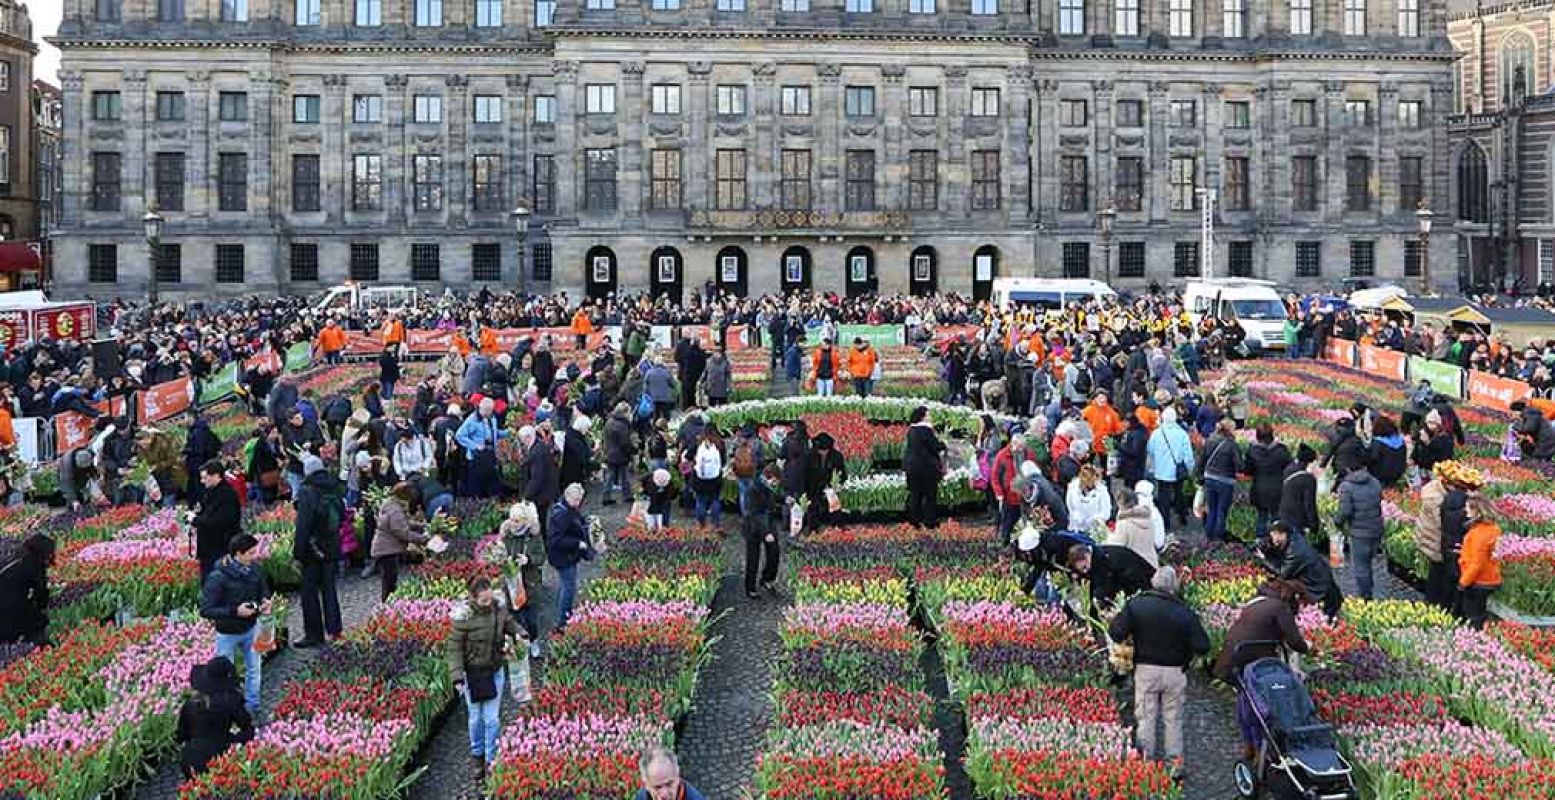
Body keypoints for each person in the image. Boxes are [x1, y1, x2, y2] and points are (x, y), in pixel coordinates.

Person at [1107, 566, 1208, 779]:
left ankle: (1146, 764)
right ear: (1174, 586)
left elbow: (1116, 632)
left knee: (1146, 718)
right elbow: (1202, 646)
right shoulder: (1185, 612)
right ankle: (1175, 767)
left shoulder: (1136, 605)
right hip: (1175, 672)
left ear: (1153, 582)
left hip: (1146, 671)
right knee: (1173, 720)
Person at [1213, 579, 1311, 761]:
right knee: (1258, 704)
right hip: (1250, 657)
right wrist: (1309, 648)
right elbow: (1295, 641)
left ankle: (1249, 745)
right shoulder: (1280, 607)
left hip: (1233, 657)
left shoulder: (1260, 602)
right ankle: (1259, 748)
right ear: (1294, 597)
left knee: (1246, 697)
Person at [446, 576, 524, 775]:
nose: (488, 603)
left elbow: (509, 623)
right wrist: (457, 677)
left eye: (489, 599)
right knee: (475, 719)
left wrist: (520, 634)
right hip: (472, 675)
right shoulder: (463, 618)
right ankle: (477, 755)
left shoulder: (499, 609)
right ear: (473, 598)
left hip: (494, 671)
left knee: (492, 720)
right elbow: (454, 649)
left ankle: (490, 760)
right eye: (483, 601)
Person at [199, 534, 271, 714]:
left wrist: (265, 601)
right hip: (227, 632)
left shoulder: (255, 569)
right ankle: (228, 711)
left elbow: (264, 588)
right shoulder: (217, 577)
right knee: (225, 674)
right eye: (251, 553)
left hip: (252, 627)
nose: (254, 557)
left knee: (254, 669)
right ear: (238, 554)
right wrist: (235, 611)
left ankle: (251, 707)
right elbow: (206, 609)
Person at [292, 454, 342, 647]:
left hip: (313, 549)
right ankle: (335, 629)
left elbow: (303, 525)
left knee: (309, 592)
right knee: (330, 590)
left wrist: (298, 553)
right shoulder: (334, 486)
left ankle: (314, 634)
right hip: (332, 545)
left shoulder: (307, 490)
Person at [176, 656, 254, 778]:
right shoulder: (230, 701)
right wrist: (233, 738)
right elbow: (246, 726)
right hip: (218, 757)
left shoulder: (190, 704)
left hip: (190, 759)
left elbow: (181, 736)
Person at [374, 481, 432, 601]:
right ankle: (387, 607)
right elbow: (402, 533)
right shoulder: (395, 510)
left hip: (383, 549)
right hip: (387, 551)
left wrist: (420, 525)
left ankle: (388, 606)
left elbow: (402, 523)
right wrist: (423, 539)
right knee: (389, 583)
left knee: (388, 581)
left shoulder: (391, 505)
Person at [500, 502, 546, 654]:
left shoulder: (533, 536)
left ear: (525, 521)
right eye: (511, 519)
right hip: (512, 584)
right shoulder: (506, 535)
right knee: (516, 617)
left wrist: (528, 560)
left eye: (517, 520)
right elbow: (500, 553)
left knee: (531, 616)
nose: (513, 523)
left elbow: (541, 557)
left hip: (529, 583)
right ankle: (519, 644)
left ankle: (533, 640)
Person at [1333, 463, 1384, 600]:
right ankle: (1368, 586)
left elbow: (1345, 511)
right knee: (1368, 562)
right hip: (1376, 529)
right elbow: (1380, 500)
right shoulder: (1374, 481)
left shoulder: (1346, 487)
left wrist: (1336, 522)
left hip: (1359, 532)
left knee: (1360, 566)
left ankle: (1365, 597)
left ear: (1348, 469)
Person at [547, 483, 592, 634]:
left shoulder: (567, 508)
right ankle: (563, 622)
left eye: (580, 499)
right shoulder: (562, 514)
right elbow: (555, 540)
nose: (578, 503)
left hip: (563, 556)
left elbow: (576, 520)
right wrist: (577, 543)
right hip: (564, 557)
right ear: (567, 496)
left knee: (564, 585)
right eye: (575, 500)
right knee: (569, 587)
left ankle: (561, 612)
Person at [1146, 408, 1194, 535]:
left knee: (1163, 497)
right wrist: (1189, 468)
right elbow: (1188, 454)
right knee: (1179, 494)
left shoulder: (1157, 433)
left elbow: (1150, 450)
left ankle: (1165, 521)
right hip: (1178, 471)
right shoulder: (1182, 434)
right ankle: (1182, 517)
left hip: (1161, 470)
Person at [191, 460, 242, 581]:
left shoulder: (227, 495)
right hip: (209, 545)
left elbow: (220, 521)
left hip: (220, 545)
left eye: (205, 477)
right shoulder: (211, 492)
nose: (202, 481)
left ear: (216, 476)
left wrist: (196, 520)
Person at [1069, 542, 1156, 612]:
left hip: (1140, 582)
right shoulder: (1098, 557)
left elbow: (1106, 585)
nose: (1085, 571)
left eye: (1084, 567)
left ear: (1087, 556)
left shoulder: (1103, 561)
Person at [0, 533, 54, 645]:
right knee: (37, 621)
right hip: (11, 615)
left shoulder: (13, 559)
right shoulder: (34, 566)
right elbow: (41, 597)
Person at [1458, 496, 1503, 630]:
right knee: (1481, 614)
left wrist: (1463, 582)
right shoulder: (1494, 529)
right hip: (1491, 578)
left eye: (1468, 508)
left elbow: (1477, 563)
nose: (1465, 511)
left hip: (1478, 581)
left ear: (1477, 511)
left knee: (1473, 615)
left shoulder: (1478, 534)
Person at [1196, 418, 1241, 543]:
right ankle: (1218, 538)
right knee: (1222, 511)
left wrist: (1199, 477)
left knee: (1212, 509)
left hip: (1209, 478)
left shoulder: (1210, 440)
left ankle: (1208, 536)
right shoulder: (1232, 445)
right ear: (1230, 430)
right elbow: (1239, 466)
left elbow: (1201, 460)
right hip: (1225, 481)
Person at [902, 405, 946, 529]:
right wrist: (943, 444)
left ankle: (914, 520)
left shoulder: (911, 430)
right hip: (926, 468)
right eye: (928, 415)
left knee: (915, 494)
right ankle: (930, 520)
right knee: (930, 495)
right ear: (923, 417)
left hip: (911, 467)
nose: (930, 417)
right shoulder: (925, 430)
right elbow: (935, 446)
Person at [1245, 424, 1291, 541]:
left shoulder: (1253, 451)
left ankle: (1260, 542)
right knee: (1276, 517)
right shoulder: (1282, 450)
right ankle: (1278, 542)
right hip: (1278, 488)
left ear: (1258, 436)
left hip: (1260, 488)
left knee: (1262, 516)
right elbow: (1289, 467)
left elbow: (1248, 470)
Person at [456, 397, 508, 498]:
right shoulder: (472, 420)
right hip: (476, 459)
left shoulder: (492, 418)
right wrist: (475, 446)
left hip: (489, 455)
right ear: (484, 409)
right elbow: (459, 435)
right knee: (476, 488)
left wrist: (506, 433)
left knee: (492, 484)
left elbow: (493, 432)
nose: (491, 413)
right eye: (490, 411)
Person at [743, 466, 781, 599]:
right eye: (775, 482)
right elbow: (755, 514)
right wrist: (766, 532)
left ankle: (767, 578)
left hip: (768, 522)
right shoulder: (753, 489)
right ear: (768, 477)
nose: (776, 485)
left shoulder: (766, 486)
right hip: (753, 526)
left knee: (774, 552)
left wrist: (785, 499)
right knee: (753, 557)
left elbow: (773, 498)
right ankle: (750, 587)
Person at [990, 434, 1030, 546]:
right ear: (1013, 444)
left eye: (1023, 447)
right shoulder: (1002, 456)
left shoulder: (1027, 453)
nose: (1021, 449)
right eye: (1020, 447)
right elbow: (995, 476)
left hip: (1025, 495)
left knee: (1026, 522)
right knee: (1008, 522)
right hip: (1009, 497)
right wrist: (999, 493)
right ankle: (1005, 544)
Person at [1107, 487, 1159, 569]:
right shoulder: (1149, 519)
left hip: (1134, 566)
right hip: (1152, 562)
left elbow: (1116, 546)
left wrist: (1107, 537)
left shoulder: (1124, 524)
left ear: (1120, 504)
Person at [1277, 444, 1320, 541]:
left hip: (1284, 513)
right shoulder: (1308, 479)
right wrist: (1314, 525)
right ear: (1310, 462)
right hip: (1298, 519)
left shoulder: (1288, 470)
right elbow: (1309, 504)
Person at [635, 746, 709, 800]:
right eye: (657, 787)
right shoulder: (642, 796)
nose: (664, 793)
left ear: (677, 776)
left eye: (669, 784)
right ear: (647, 785)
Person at [691, 428, 725, 532]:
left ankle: (701, 523)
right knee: (715, 500)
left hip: (700, 479)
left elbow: (688, 455)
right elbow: (723, 461)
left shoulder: (698, 443)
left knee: (700, 501)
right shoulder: (719, 444)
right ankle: (716, 523)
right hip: (715, 478)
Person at [602, 402, 635, 506]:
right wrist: (632, 451)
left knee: (609, 477)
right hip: (621, 455)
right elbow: (625, 443)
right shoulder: (623, 425)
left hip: (610, 454)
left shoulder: (609, 421)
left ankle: (606, 497)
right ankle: (627, 496)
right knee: (625, 477)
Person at [1066, 464, 1113, 535]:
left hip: (1096, 530)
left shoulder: (1102, 490)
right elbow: (1070, 506)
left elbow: (1106, 513)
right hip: (1076, 528)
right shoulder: (1072, 488)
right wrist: (1076, 516)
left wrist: (1094, 520)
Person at [1365, 416, 1408, 487]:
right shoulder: (1401, 441)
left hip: (1380, 476)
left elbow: (1372, 458)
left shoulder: (1378, 442)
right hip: (1397, 474)